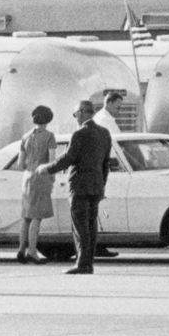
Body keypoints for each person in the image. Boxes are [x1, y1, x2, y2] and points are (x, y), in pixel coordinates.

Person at [40, 99, 111, 274]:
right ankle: (88, 263)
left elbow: (68, 158)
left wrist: (47, 169)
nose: (75, 117)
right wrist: (102, 186)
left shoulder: (79, 134)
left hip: (79, 186)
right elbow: (105, 163)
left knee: (80, 227)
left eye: (75, 114)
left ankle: (82, 263)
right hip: (96, 186)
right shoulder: (104, 133)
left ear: (82, 112)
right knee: (91, 225)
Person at [15, 105, 56, 264]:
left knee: (26, 216)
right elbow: (52, 162)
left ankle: (20, 249)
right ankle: (32, 251)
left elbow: (20, 163)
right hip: (41, 177)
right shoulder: (49, 136)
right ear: (48, 120)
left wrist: (30, 169)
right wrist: (51, 177)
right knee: (37, 217)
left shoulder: (25, 136)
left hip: (26, 178)